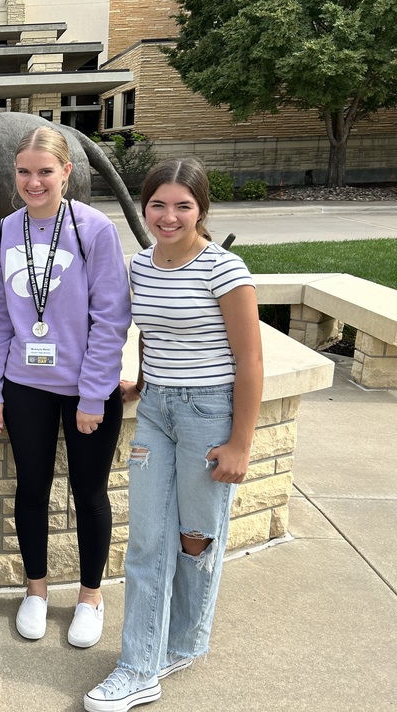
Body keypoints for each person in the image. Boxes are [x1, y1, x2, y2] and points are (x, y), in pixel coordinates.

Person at [84, 158, 263, 712]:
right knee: (148, 538)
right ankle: (139, 666)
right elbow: (153, 330)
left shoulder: (224, 270)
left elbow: (249, 358)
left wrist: (240, 443)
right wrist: (143, 379)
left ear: (201, 210)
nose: (168, 216)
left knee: (196, 535)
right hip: (157, 411)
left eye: (182, 205)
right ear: (144, 206)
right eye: (158, 204)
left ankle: (183, 641)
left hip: (210, 414)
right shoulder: (140, 265)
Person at [0, 126, 130, 648]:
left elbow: (111, 318)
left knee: (89, 495)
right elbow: (0, 319)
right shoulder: (0, 234)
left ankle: (90, 595)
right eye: (25, 171)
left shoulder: (94, 229)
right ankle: (37, 590)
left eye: (45, 171)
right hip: (25, 388)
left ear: (66, 172)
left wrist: (93, 394)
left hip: (85, 391)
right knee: (32, 491)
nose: (34, 181)